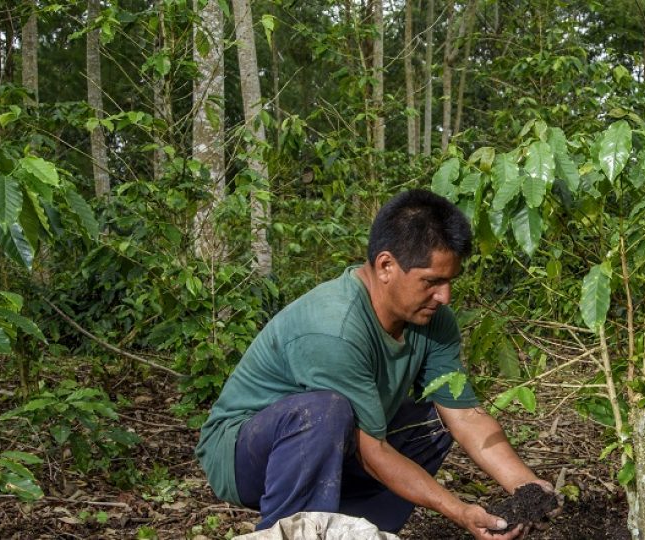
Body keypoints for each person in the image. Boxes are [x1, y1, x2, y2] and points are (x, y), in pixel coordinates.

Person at [196, 190, 552, 539]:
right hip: (245, 454)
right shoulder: (334, 328)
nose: (445, 296)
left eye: (449, 281)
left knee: (435, 422)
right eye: (432, 282)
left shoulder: (433, 320)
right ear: (386, 266)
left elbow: (463, 416)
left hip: (345, 439)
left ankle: (358, 531)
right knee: (325, 412)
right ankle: (296, 533)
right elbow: (372, 452)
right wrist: (459, 511)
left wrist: (527, 487)